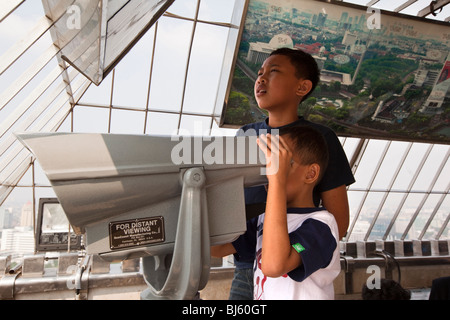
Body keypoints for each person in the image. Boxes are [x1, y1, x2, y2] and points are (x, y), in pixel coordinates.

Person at [229, 47, 355, 300]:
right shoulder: (246, 135)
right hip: (249, 263)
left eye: (273, 72)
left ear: (302, 87)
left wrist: (297, 250)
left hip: (295, 263)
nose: (261, 78)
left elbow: (337, 221)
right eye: (260, 72)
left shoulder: (321, 139)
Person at [211, 125, 341, 299]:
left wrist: (276, 181)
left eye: (281, 161)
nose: (270, 170)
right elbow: (216, 248)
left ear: (311, 173)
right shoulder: (263, 221)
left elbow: (274, 266)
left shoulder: (322, 226)